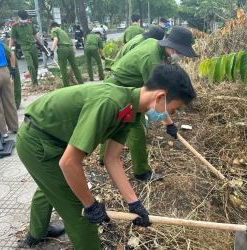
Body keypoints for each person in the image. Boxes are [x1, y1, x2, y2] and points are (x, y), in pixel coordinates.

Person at [16, 63, 196, 249]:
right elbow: (69, 163)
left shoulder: (131, 109)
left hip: (54, 136)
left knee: (52, 185)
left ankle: (37, 233)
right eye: (172, 110)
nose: (169, 115)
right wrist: (90, 204)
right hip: (36, 140)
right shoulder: (110, 102)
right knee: (80, 213)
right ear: (159, 97)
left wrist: (134, 203)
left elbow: (112, 158)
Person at [101, 27, 197, 181]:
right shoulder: (151, 59)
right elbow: (156, 98)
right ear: (171, 48)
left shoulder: (154, 44)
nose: (181, 57)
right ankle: (141, 172)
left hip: (123, 85)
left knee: (112, 124)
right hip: (118, 86)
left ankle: (102, 157)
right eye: (180, 53)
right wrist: (169, 123)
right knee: (135, 127)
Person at [9, 10, 46, 87]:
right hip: (24, 48)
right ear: (18, 17)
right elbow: (12, 38)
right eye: (22, 18)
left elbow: (35, 35)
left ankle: (35, 81)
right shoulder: (15, 26)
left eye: (25, 18)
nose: (24, 19)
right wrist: (9, 49)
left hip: (33, 46)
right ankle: (34, 83)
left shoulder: (29, 24)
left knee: (36, 65)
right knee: (30, 65)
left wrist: (41, 45)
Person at [49, 22, 83, 87]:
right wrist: (73, 51)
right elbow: (72, 44)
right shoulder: (63, 31)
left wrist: (52, 51)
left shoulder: (54, 30)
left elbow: (55, 40)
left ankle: (67, 86)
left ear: (53, 26)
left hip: (62, 49)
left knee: (63, 69)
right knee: (74, 67)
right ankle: (81, 83)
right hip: (70, 48)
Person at [2, 44, 21, 109]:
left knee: (15, 82)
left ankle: (16, 102)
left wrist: (13, 67)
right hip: (2, 64)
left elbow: (11, 54)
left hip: (11, 62)